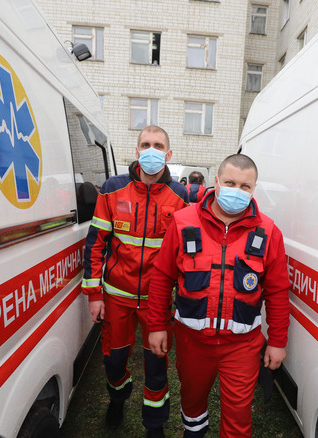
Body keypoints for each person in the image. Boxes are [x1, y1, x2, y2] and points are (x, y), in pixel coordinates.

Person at [148, 154, 290, 437]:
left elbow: (277, 290)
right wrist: (155, 326)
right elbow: (162, 277)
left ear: (253, 189)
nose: (237, 191)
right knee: (192, 403)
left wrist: (277, 341)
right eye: (230, 182)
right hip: (192, 342)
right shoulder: (182, 221)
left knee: (238, 417)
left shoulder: (269, 231)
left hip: (242, 346)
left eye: (245, 186)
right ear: (216, 181)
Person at [83, 125, 189, 438]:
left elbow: (185, 254)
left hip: (157, 302)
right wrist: (94, 294)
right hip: (116, 297)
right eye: (146, 144)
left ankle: (154, 425)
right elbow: (95, 244)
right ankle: (118, 396)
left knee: (157, 367)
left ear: (168, 154)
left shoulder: (180, 196)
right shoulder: (113, 188)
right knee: (114, 362)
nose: (151, 150)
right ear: (137, 150)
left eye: (158, 145)